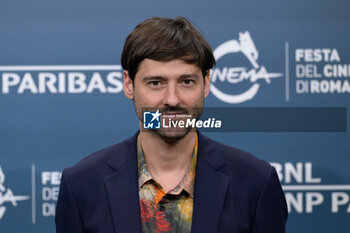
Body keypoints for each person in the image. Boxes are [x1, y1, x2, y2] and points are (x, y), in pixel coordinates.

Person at [55, 16, 288, 233]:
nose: (172, 99)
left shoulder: (255, 182)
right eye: (156, 83)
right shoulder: (81, 185)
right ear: (129, 84)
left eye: (186, 82)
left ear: (206, 83)